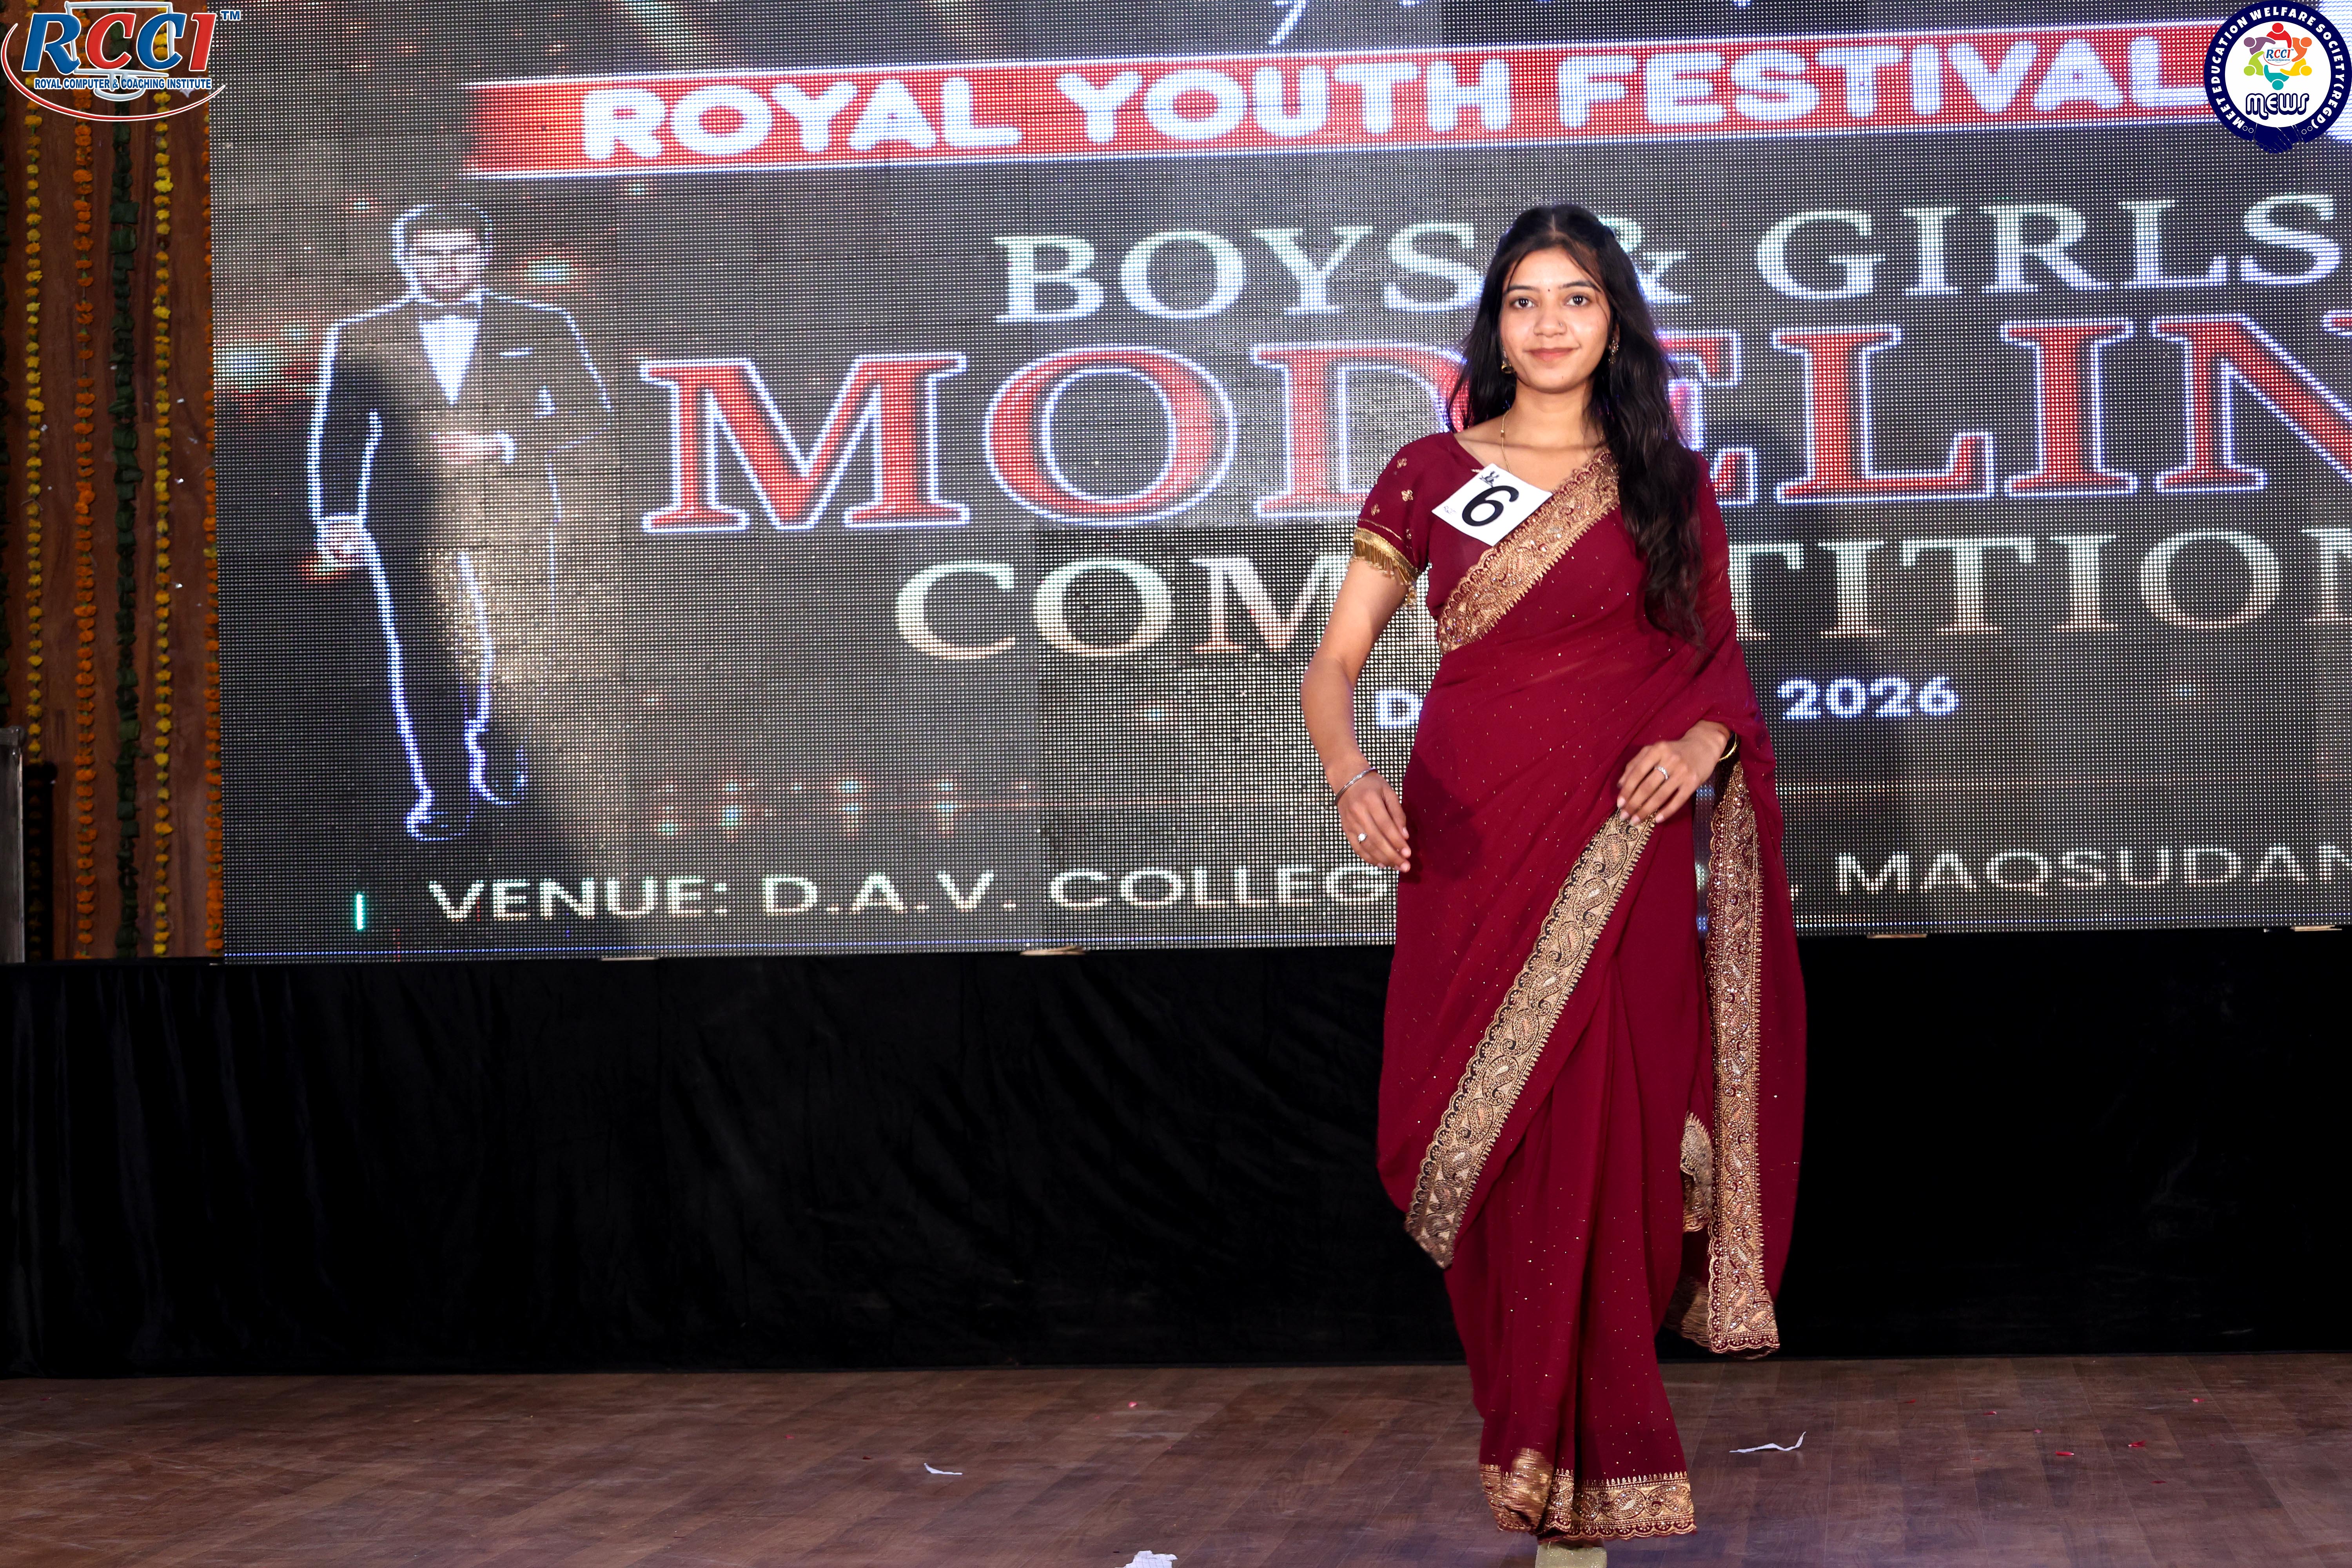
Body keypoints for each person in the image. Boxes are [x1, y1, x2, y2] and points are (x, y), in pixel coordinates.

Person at [1300, 204, 1805, 1563]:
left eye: (1575, 298)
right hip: (1469, 848)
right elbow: (1333, 665)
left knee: (1611, 1143)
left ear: (1614, 319)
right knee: (1488, 1143)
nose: (1548, 324)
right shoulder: (1428, 473)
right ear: (1495, 324)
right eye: (1524, 300)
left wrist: (1697, 747)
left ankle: (1584, 1490)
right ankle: (1529, 1442)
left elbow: (1716, 672)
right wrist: (1350, 776)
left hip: (1617, 851)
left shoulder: (1663, 483)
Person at [309, 201, 612, 842]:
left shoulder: (540, 323)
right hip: (408, 517)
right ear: (405, 260)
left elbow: (588, 411)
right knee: (423, 654)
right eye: (430, 254)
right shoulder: (364, 333)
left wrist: (503, 444)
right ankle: (444, 792)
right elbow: (340, 433)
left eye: (461, 252)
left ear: (485, 254)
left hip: (515, 508)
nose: (446, 266)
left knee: (522, 641)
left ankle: (505, 750)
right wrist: (337, 515)